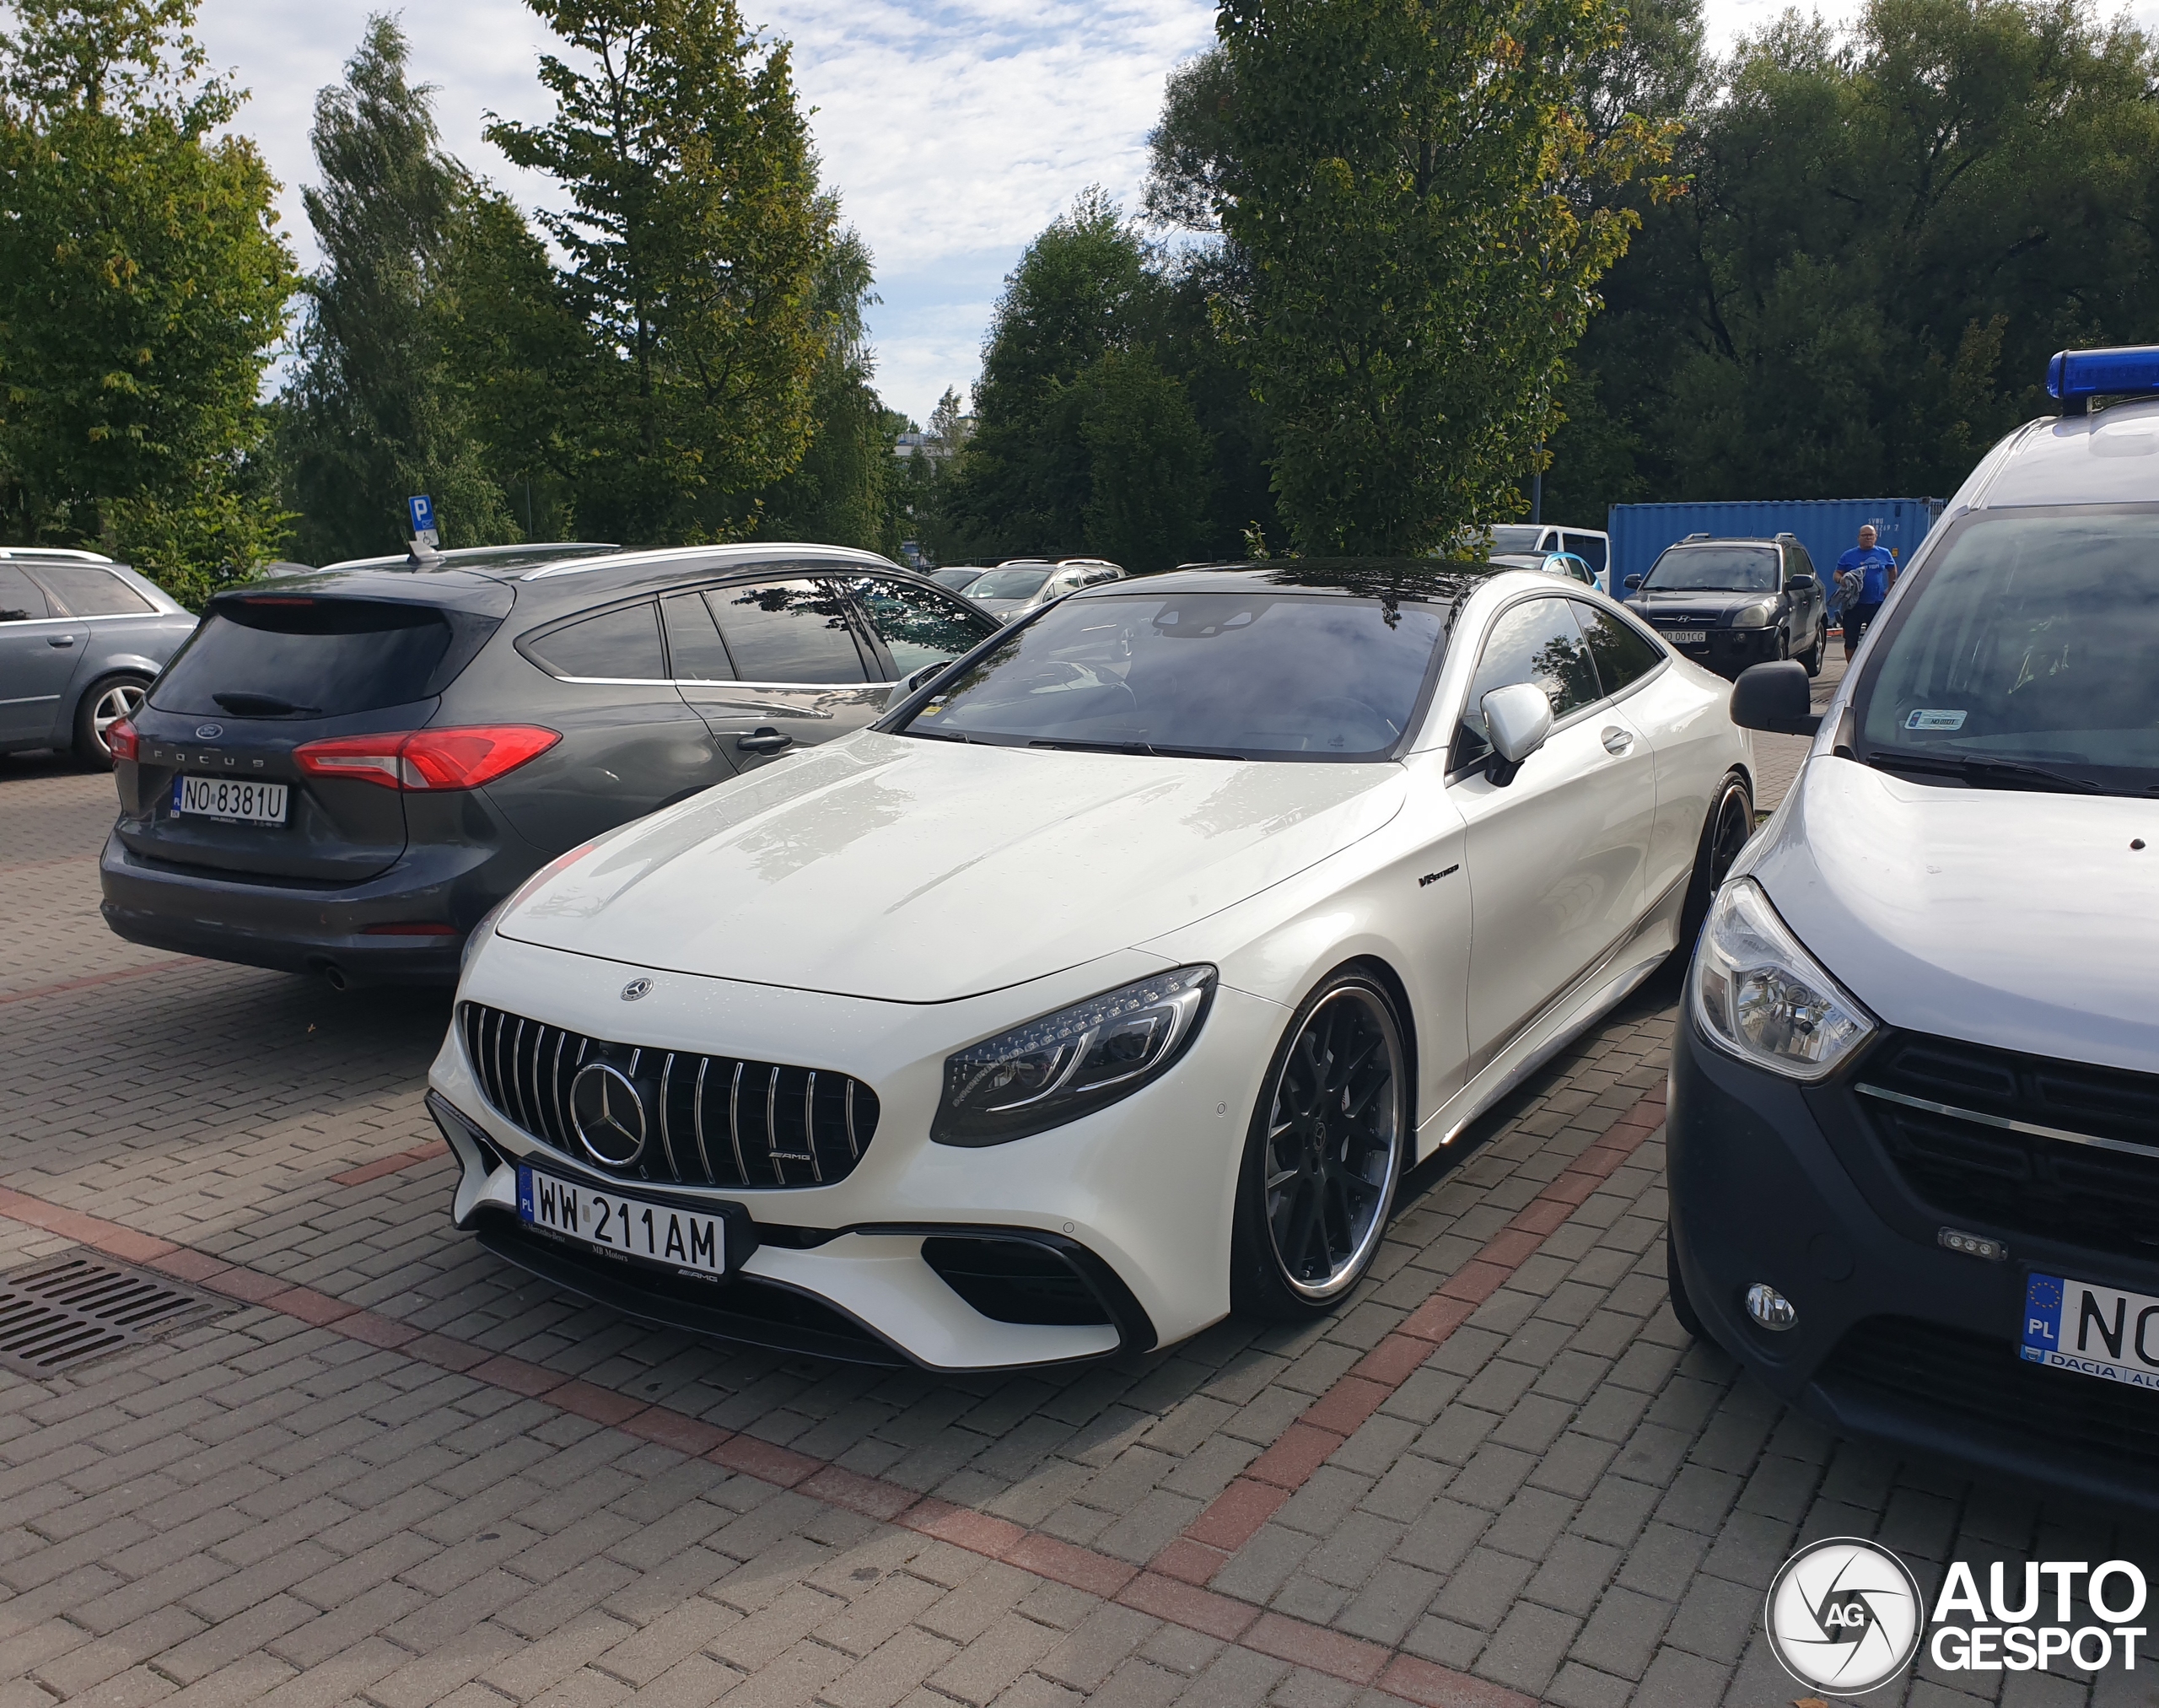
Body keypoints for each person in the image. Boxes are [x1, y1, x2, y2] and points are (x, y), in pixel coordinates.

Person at [1835, 525, 1898, 658]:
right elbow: (1837, 574)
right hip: (1854, 605)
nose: (1868, 538)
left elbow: (1892, 569)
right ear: (1859, 538)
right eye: (1865, 535)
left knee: (1875, 640)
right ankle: (1851, 670)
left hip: (1876, 603)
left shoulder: (1884, 553)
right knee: (1851, 640)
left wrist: (1890, 589)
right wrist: (1843, 580)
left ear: (1876, 537)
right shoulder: (1848, 555)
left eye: (1871, 535)